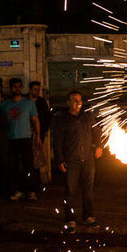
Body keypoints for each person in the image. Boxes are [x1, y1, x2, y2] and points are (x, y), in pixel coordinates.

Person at [53, 91, 103, 234]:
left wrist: (99, 145)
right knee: (70, 191)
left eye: (80, 99)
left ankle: (88, 217)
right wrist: (60, 159)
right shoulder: (62, 119)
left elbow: (96, 132)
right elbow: (57, 142)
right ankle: (70, 219)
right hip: (71, 161)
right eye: (74, 100)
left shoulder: (87, 116)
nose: (78, 102)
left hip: (87, 159)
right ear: (68, 102)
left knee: (88, 190)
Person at [1, 78, 41, 201]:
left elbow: (35, 120)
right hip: (11, 139)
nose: (17, 88)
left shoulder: (28, 103)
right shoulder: (5, 104)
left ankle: (31, 191)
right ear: (11, 88)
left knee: (29, 166)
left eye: (19, 86)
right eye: (15, 86)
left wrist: (38, 136)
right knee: (13, 166)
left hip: (25, 139)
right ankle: (16, 190)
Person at [27, 81, 52, 194]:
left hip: (38, 135)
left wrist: (44, 132)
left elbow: (47, 117)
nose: (37, 91)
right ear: (30, 90)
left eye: (38, 89)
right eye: (35, 89)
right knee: (27, 160)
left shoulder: (41, 102)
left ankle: (36, 185)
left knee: (37, 160)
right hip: (25, 134)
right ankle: (28, 185)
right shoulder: (25, 101)